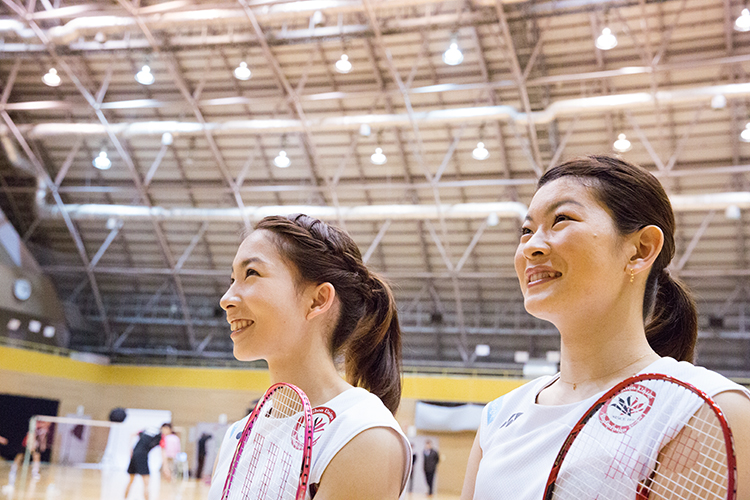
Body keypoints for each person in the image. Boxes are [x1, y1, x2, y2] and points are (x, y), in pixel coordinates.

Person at [461, 155, 750, 500]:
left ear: (641, 250)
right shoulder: (500, 414)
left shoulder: (702, 408)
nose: (531, 246)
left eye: (561, 219)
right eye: (526, 230)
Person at [209, 214, 411, 500]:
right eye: (232, 279)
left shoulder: (362, 433)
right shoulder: (236, 436)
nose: (226, 297)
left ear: (317, 300)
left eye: (251, 273)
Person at [123, 426, 165, 500]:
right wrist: (165, 467)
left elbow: (132, 434)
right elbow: (163, 452)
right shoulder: (160, 437)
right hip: (142, 456)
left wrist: (131, 449)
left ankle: (124, 498)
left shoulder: (146, 430)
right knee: (146, 483)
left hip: (134, 455)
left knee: (131, 481)